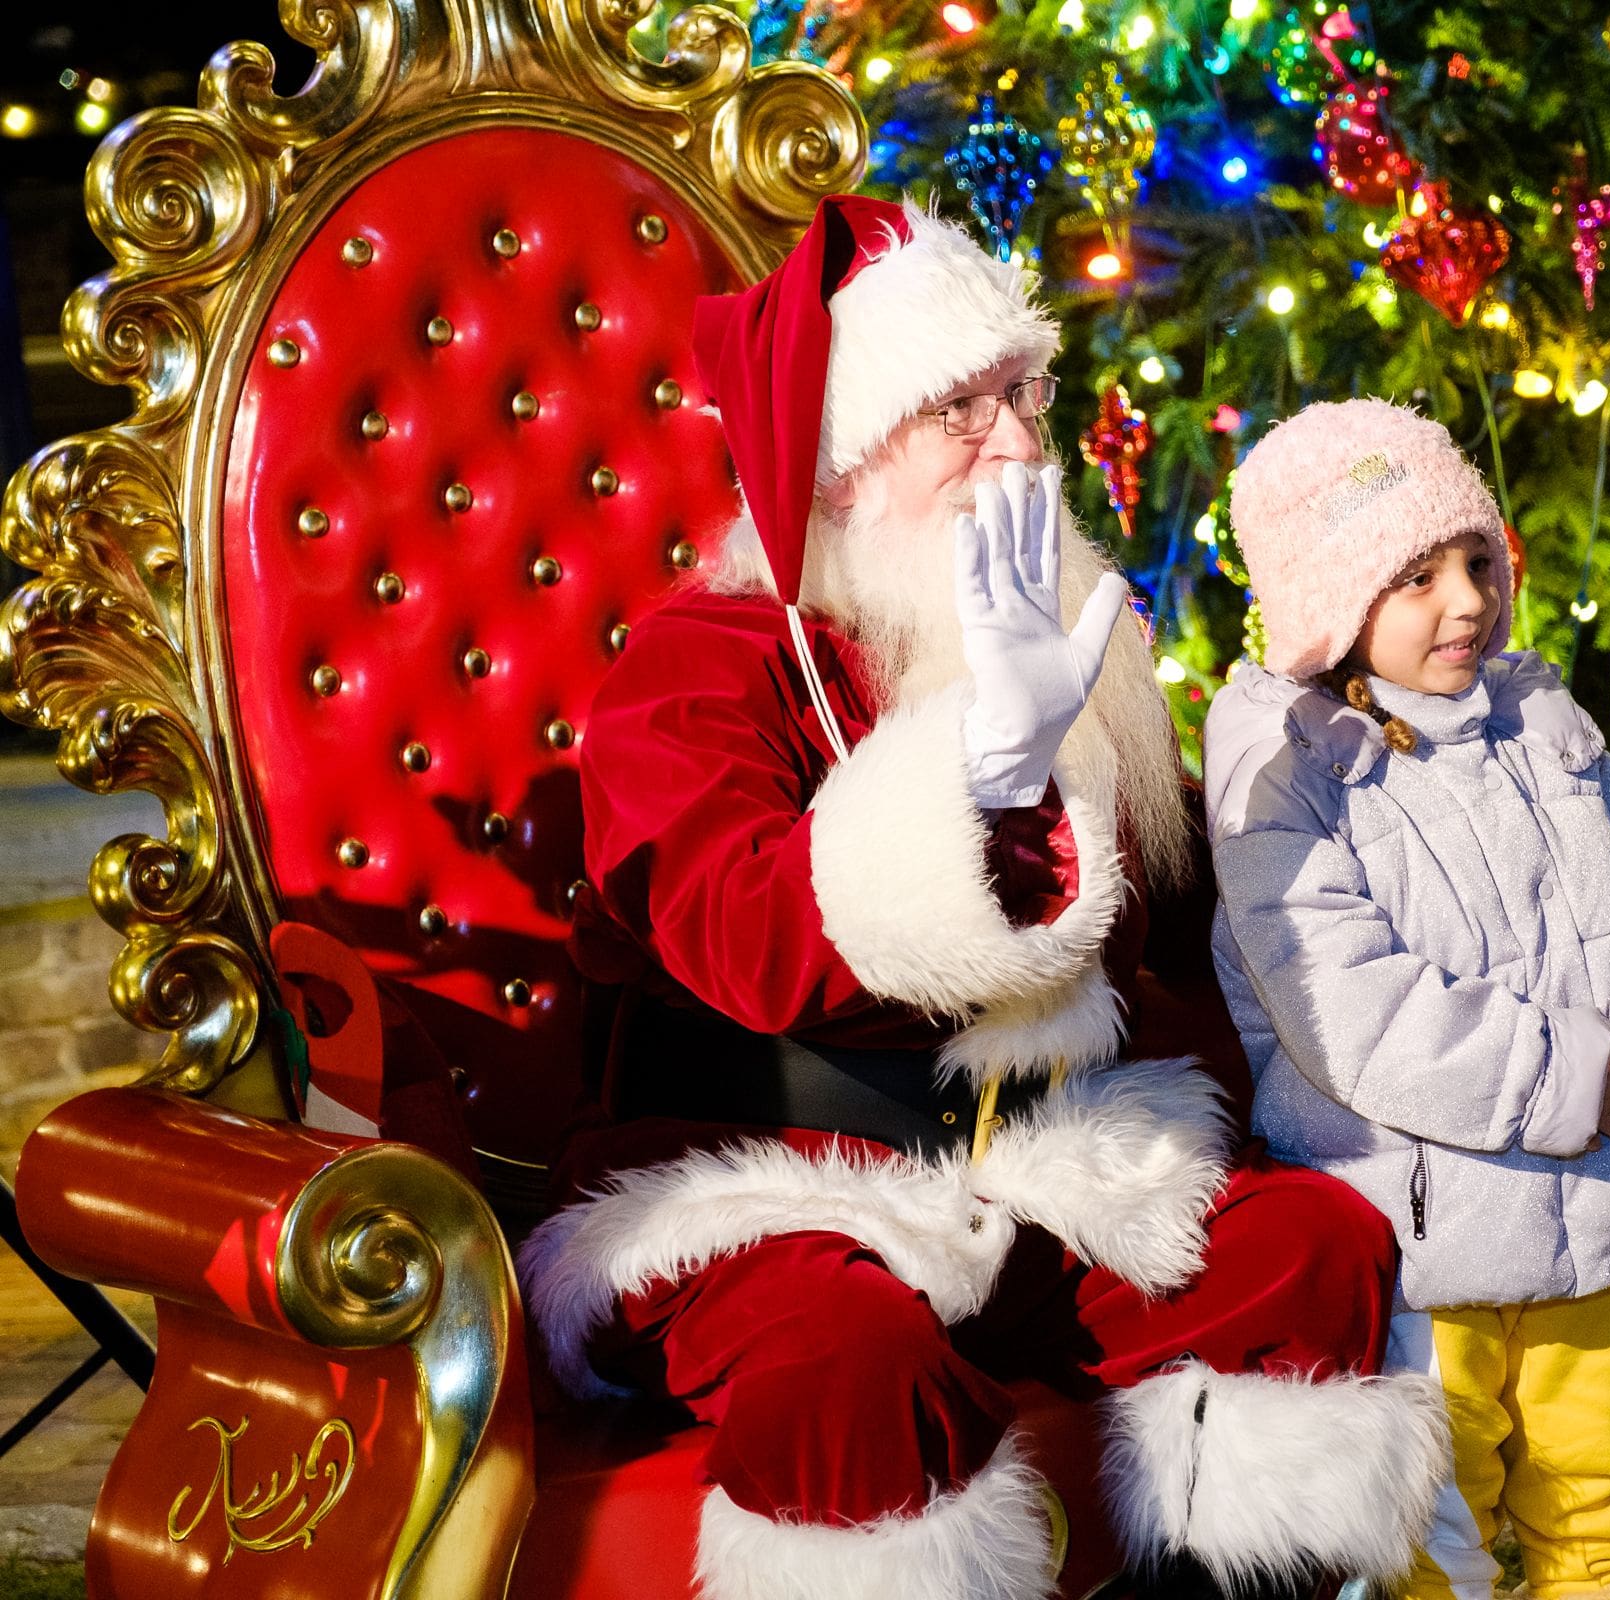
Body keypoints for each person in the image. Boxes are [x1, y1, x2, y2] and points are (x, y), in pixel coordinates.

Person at [519, 199, 1445, 1600]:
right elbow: (748, 945)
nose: (1019, 445)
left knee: (1312, 1249)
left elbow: (1169, 954)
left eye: (1026, 396)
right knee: (856, 1360)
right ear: (837, 469)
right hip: (763, 1181)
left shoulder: (1056, 648)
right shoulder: (697, 667)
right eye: (962, 409)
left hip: (1043, 1162)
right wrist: (979, 769)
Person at [1202, 399, 1610, 1600]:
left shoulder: (1538, 721)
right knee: (1443, 1510)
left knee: (1585, 1472)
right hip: (1419, 1221)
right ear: (1330, 605)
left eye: (1475, 561)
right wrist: (1566, 1074)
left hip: (1576, 1196)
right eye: (1414, 578)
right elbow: (1352, 1010)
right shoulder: (1283, 775)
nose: (1465, 600)